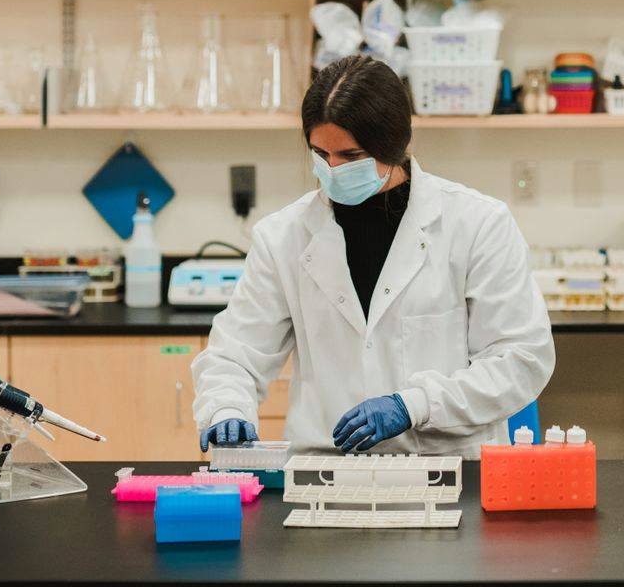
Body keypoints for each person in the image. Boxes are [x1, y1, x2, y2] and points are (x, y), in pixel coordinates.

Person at [192, 54, 555, 458]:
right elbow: (237, 353)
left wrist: (414, 404)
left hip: (446, 466)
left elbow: (522, 358)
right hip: (324, 468)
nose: (331, 169)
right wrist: (226, 406)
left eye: (350, 156)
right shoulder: (283, 237)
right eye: (320, 154)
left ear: (393, 145)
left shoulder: (477, 224)